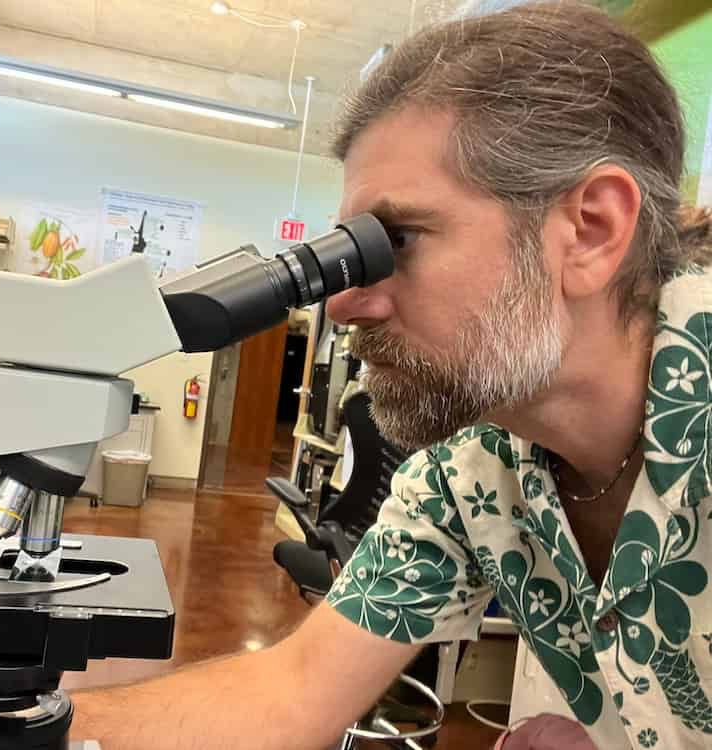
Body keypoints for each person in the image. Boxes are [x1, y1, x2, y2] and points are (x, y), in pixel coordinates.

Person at [72, 2, 712, 748]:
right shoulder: (471, 469)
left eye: (397, 239)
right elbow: (293, 690)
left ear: (590, 231)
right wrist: (9, 730)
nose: (342, 302)